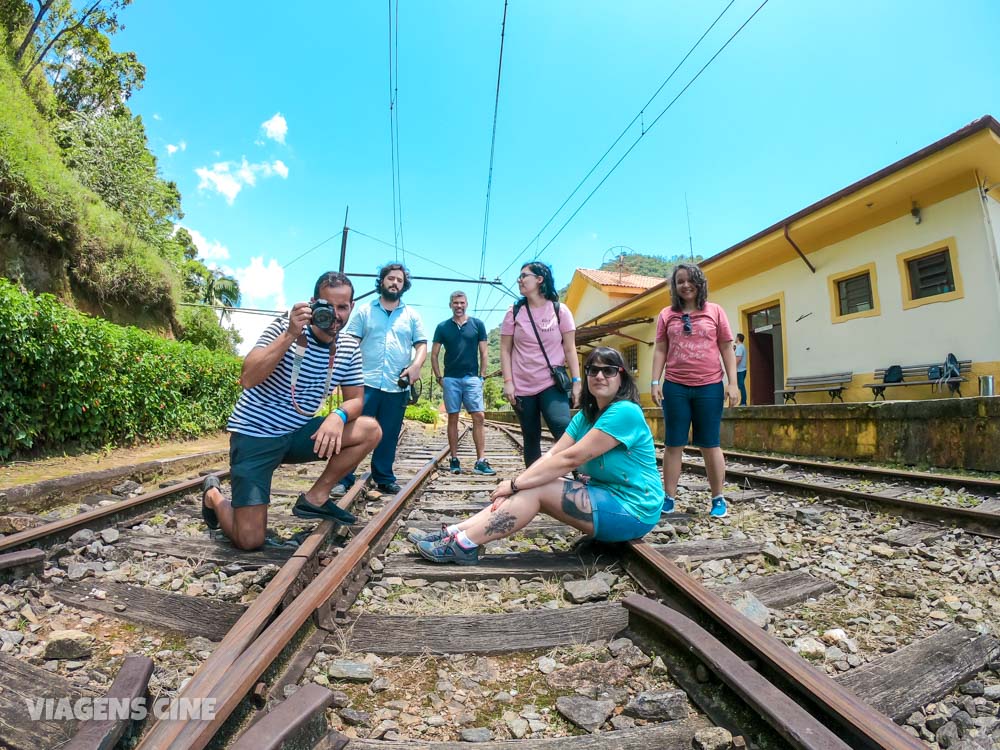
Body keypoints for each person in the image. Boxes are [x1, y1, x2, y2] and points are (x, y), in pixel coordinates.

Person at [411, 347, 663, 564]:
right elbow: (553, 453)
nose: (599, 375)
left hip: (634, 510)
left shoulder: (625, 412)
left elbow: (569, 460)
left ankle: (465, 545)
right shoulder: (586, 417)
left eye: (608, 370)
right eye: (592, 370)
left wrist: (515, 483)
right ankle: (455, 533)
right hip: (607, 498)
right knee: (531, 484)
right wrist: (516, 485)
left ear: (621, 377)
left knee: (535, 489)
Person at [201, 271, 382, 551]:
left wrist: (338, 416)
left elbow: (356, 399)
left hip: (297, 434)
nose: (335, 315)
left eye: (342, 307)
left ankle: (316, 498)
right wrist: (290, 334)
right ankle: (213, 495)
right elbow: (248, 378)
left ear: (352, 308)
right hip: (255, 435)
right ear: (312, 304)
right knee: (249, 541)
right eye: (327, 306)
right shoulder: (283, 328)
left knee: (369, 429)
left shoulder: (348, 347)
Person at [651, 263, 739, 519]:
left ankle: (718, 498)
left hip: (710, 386)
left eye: (691, 280)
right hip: (675, 386)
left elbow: (726, 347)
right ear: (674, 286)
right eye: (680, 281)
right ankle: (668, 498)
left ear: (700, 283)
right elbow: (660, 349)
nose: (686, 285)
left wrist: (732, 383)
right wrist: (655, 382)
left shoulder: (716, 311)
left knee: (710, 443)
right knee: (673, 443)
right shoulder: (667, 314)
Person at [333, 262, 428, 496]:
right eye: (391, 278)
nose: (394, 283)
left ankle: (384, 477)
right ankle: (341, 478)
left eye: (399, 280)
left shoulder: (411, 316)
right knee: (353, 431)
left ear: (404, 286)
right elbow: (350, 342)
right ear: (382, 281)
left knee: (388, 433)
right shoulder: (365, 311)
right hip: (362, 383)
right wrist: (339, 373)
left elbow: (422, 345)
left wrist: (416, 366)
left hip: (396, 385)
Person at [499, 261, 581, 467]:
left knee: (563, 430)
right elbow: (505, 349)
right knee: (531, 437)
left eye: (524, 275)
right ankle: (533, 488)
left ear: (539, 279)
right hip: (522, 386)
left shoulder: (559, 310)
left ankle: (582, 479)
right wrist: (508, 382)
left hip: (551, 383)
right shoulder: (514, 312)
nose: (519, 280)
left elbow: (570, 348)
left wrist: (577, 381)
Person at [432, 290, 496, 476]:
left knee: (479, 417)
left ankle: (481, 461)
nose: (458, 306)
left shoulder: (477, 325)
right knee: (453, 417)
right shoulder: (442, 327)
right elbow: (434, 354)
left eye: (461, 303)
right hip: (450, 379)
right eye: (455, 303)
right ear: (450, 305)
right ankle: (454, 459)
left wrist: (482, 376)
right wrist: (439, 377)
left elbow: (484, 352)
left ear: (466, 304)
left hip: (472, 378)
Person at [734, 333, 748, 406]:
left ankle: (743, 402)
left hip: (740, 370)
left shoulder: (739, 347)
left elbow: (738, 359)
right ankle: (743, 402)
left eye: (736, 337)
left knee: (741, 386)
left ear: (738, 338)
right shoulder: (741, 347)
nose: (735, 338)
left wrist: (733, 367)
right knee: (740, 386)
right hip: (742, 370)